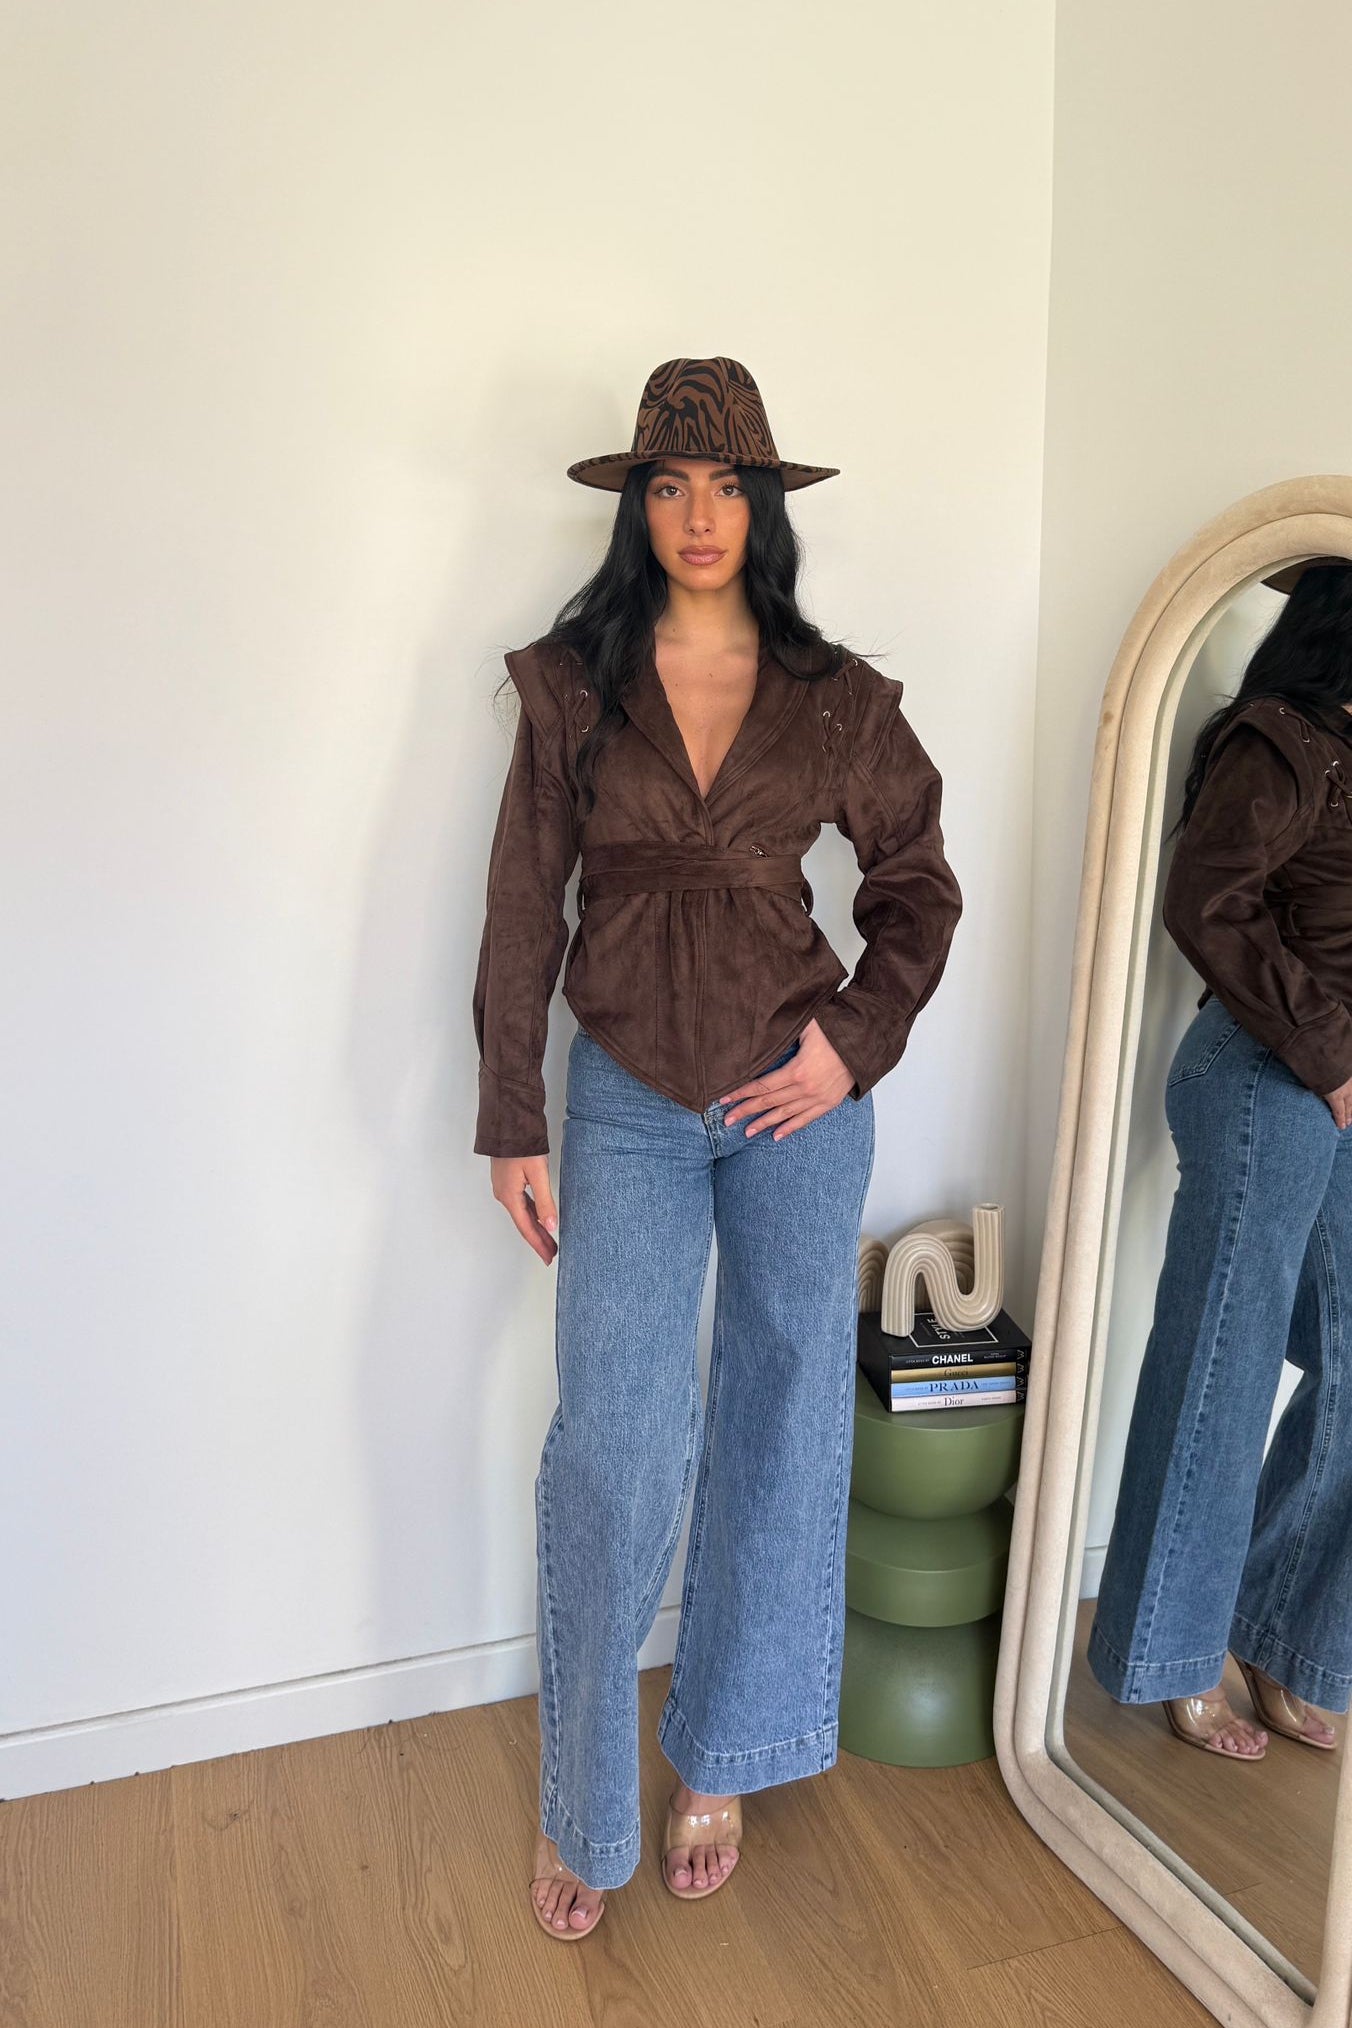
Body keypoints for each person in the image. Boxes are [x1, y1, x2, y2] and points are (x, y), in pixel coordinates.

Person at [471, 356, 963, 1936]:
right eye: (671, 486)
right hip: (625, 1090)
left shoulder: (835, 695)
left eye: (727, 486)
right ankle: (581, 1807)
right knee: (615, 1444)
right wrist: (512, 1111)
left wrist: (850, 1045)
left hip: (792, 1102)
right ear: (637, 505)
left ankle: (728, 1754)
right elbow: (522, 903)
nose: (699, 514)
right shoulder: (574, 684)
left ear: (762, 507)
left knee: (784, 1418)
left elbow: (918, 887)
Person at [1087, 559, 1352, 1759]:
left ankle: (1275, 1630)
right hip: (1261, 1075)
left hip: (1332, 1085)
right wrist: (1328, 1059)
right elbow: (1205, 898)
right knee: (1220, 1370)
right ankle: (1172, 1655)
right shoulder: (1282, 738)